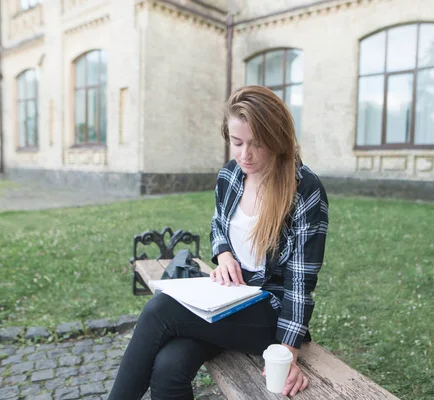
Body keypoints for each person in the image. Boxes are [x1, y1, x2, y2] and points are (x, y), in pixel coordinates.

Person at [108, 85, 329, 400]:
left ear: (278, 139)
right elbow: (218, 226)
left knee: (160, 310)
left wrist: (288, 350)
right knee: (169, 365)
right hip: (229, 300)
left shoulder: (304, 190)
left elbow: (300, 282)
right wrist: (224, 255)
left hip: (271, 313)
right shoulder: (231, 174)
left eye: (257, 144)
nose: (245, 155)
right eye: (237, 143)